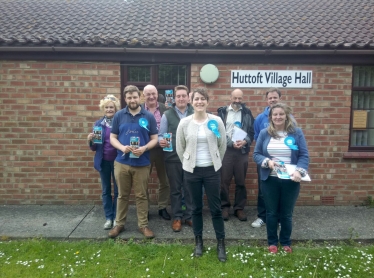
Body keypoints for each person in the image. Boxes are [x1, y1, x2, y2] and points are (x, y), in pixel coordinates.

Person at [176, 87, 227, 262]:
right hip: (192, 171)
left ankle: (221, 243)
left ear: (207, 101)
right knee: (195, 208)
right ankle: (198, 242)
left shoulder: (217, 121)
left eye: (202, 99)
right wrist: (188, 163)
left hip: (212, 170)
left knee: (216, 209)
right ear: (191, 101)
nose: (199, 102)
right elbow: (180, 147)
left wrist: (216, 160)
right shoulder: (185, 123)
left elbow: (222, 144)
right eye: (196, 99)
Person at [253, 103, 309, 254]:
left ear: (287, 116)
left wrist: (300, 171)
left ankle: (285, 242)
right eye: (275, 114)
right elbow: (256, 154)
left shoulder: (296, 133)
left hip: (291, 180)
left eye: (281, 114)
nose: (278, 117)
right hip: (270, 179)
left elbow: (304, 155)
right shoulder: (265, 133)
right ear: (270, 117)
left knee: (286, 214)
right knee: (271, 213)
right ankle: (272, 243)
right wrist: (268, 162)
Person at [108, 85, 159, 239]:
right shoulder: (118, 116)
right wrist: (122, 148)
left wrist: (144, 148)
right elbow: (112, 137)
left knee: (141, 195)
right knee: (122, 195)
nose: (132, 100)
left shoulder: (148, 116)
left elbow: (155, 139)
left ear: (140, 97)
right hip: (122, 162)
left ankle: (143, 225)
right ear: (125, 99)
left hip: (142, 162)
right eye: (129, 97)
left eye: (135, 97)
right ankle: (119, 224)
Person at [159, 85, 194, 232]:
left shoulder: (195, 112)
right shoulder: (167, 114)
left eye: (183, 96)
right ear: (174, 98)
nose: (181, 98)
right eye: (178, 96)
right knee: (175, 190)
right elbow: (161, 134)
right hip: (172, 157)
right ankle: (177, 217)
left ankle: (190, 216)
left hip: (191, 157)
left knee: (190, 189)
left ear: (188, 97)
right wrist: (161, 141)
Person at [217, 89, 254, 221]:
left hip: (241, 151)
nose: (237, 101)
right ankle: (225, 207)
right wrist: (230, 143)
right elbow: (218, 133)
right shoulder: (222, 112)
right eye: (235, 98)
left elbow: (251, 132)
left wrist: (245, 141)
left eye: (240, 98)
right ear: (230, 97)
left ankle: (239, 208)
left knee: (240, 182)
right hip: (226, 150)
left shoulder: (247, 113)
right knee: (224, 181)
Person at [87, 95, 120, 230]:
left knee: (119, 192)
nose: (109, 109)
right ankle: (108, 217)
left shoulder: (120, 123)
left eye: (111, 107)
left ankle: (117, 218)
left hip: (118, 161)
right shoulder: (98, 124)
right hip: (103, 161)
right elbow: (94, 147)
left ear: (115, 108)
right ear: (103, 109)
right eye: (106, 107)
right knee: (106, 190)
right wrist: (90, 140)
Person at [251, 87, 282, 228]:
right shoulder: (259, 118)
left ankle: (281, 218)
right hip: (264, 161)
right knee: (263, 189)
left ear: (279, 99)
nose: (272, 100)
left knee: (282, 189)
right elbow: (257, 138)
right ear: (266, 100)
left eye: (275, 97)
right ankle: (262, 216)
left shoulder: (288, 117)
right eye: (270, 98)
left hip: (283, 161)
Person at [141, 85, 171, 220]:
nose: (151, 97)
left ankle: (162, 207)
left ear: (157, 94)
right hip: (145, 150)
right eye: (148, 94)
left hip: (163, 151)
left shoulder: (166, 109)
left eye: (153, 94)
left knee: (165, 181)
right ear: (143, 95)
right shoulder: (139, 109)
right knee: (143, 181)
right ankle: (145, 210)